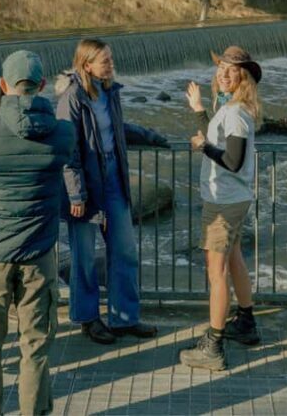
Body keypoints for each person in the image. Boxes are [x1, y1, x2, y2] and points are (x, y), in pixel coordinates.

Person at [0, 50, 75, 416]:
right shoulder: (63, 134)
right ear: (42, 85)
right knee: (35, 347)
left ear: (3, 86)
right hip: (38, 256)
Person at [55, 38, 169, 345]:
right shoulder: (72, 98)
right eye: (106, 61)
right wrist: (77, 195)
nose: (112, 65)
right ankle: (87, 319)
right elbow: (68, 149)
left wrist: (151, 136)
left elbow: (118, 128)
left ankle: (124, 318)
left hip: (113, 179)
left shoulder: (108, 91)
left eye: (111, 60)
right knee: (85, 256)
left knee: (125, 250)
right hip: (86, 186)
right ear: (87, 64)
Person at [179, 45, 263, 371]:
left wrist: (202, 146)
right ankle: (245, 322)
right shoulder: (229, 109)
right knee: (235, 259)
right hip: (233, 199)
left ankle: (213, 347)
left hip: (224, 203)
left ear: (244, 77)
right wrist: (200, 111)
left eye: (231, 70)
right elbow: (218, 131)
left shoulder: (237, 114)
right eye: (221, 68)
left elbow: (232, 159)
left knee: (217, 273)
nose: (223, 74)